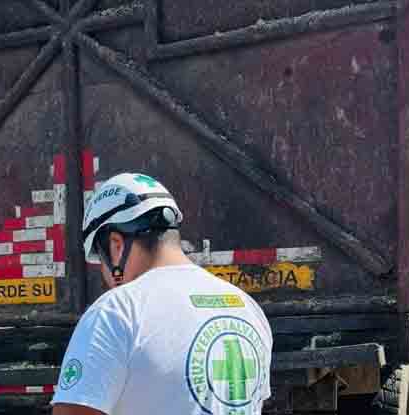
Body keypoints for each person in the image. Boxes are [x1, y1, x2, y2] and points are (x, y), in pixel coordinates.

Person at [51, 173, 273, 415]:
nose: (104, 274)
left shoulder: (116, 311)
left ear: (116, 245)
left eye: (100, 260)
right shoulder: (247, 307)